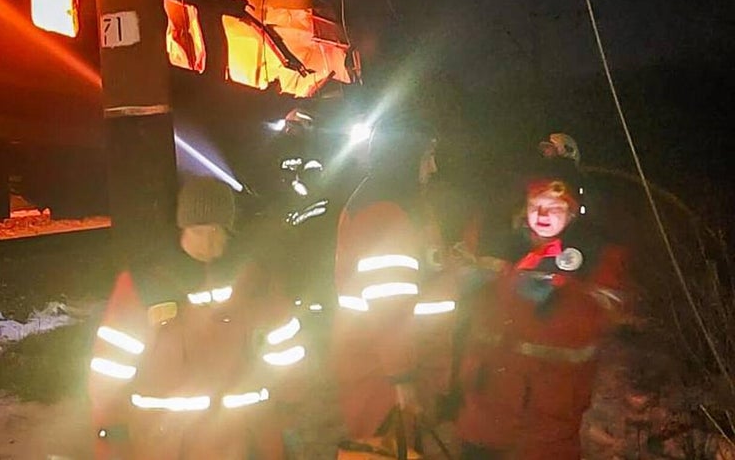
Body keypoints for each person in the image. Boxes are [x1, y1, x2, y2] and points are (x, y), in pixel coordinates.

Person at [87, 176, 306, 459]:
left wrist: (290, 406)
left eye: (216, 230)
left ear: (228, 230)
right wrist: (110, 426)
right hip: (168, 444)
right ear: (183, 227)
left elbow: (285, 348)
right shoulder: (145, 283)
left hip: (244, 440)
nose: (208, 240)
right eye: (198, 230)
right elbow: (111, 365)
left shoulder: (255, 281)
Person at [453, 144, 627, 459]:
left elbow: (606, 322)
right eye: (536, 205)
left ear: (573, 211)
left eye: (555, 207)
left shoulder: (597, 257)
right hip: (483, 419)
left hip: (548, 429)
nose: (543, 215)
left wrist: (562, 295)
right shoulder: (501, 248)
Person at [329, 114, 461, 457]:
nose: (432, 167)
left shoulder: (394, 204)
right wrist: (402, 378)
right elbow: (389, 306)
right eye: (426, 157)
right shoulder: (385, 214)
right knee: (384, 451)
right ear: (404, 157)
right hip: (384, 374)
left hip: (390, 365)